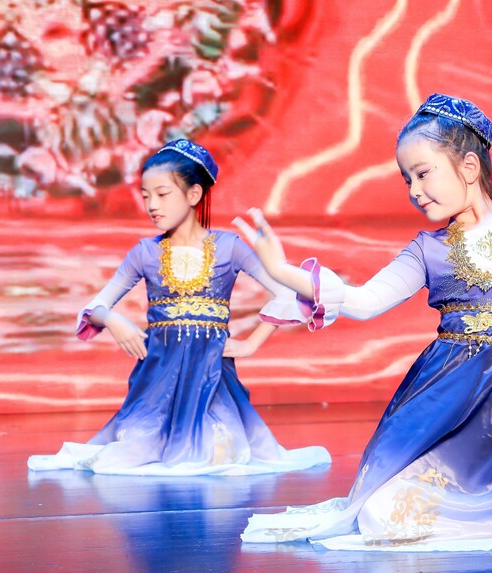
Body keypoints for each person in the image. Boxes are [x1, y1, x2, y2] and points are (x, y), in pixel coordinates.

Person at [236, 94, 492, 549]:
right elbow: (363, 301)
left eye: (422, 173)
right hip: (443, 401)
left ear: (469, 167)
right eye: (406, 179)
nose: (414, 190)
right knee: (386, 514)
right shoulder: (427, 249)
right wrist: (280, 271)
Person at [28, 139, 331, 476]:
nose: (152, 205)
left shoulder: (229, 247)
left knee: (220, 452)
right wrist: (112, 319)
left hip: (212, 379)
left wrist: (250, 344)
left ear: (193, 194)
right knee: (131, 451)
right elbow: (95, 305)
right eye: (146, 196)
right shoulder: (145, 253)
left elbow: (289, 292)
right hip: (156, 383)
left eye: (162, 194)